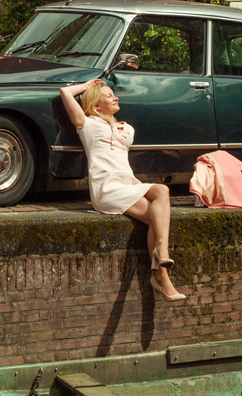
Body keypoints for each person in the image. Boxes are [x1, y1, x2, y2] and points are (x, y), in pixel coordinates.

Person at [60, 78, 187, 302]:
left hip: (128, 184)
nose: (115, 97)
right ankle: (162, 256)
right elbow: (65, 92)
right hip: (106, 189)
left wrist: (135, 183)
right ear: (97, 106)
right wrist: (88, 86)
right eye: (109, 96)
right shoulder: (87, 124)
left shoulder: (127, 129)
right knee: (161, 192)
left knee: (156, 217)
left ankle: (161, 276)